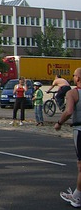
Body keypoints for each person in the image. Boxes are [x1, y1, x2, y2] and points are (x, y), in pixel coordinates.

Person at [56, 68, 81, 208]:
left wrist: (59, 123)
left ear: (77, 78)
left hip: (80, 130)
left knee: (80, 165)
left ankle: (77, 197)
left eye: (74, 76)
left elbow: (69, 111)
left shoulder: (72, 93)